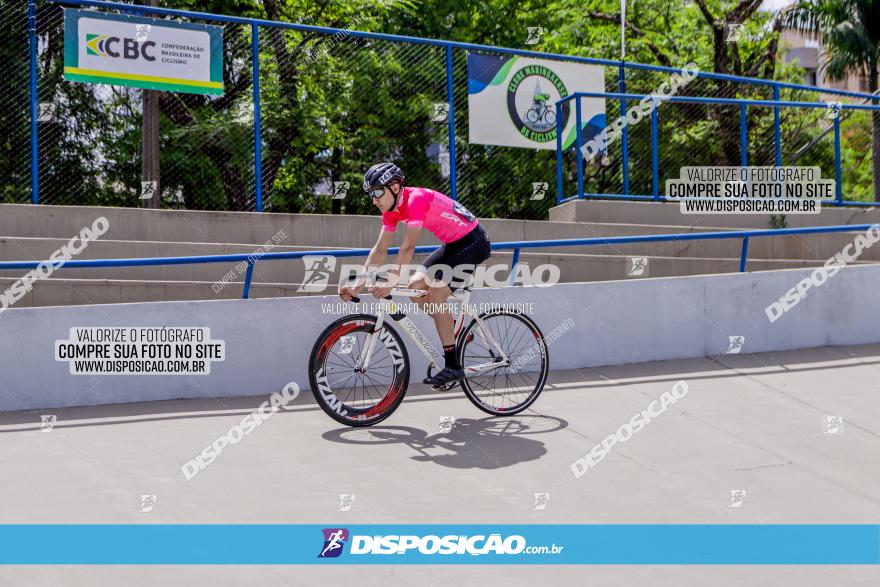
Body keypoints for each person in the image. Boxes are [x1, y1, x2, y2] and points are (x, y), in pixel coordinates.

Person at [338, 162, 492, 385]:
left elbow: (408, 246)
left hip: (474, 242)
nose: (374, 200)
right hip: (453, 244)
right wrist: (358, 285)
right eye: (371, 195)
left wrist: (390, 281)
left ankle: (453, 366)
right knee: (415, 288)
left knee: (437, 294)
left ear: (395, 187)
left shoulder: (415, 199)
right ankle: (456, 331)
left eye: (378, 192)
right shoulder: (391, 212)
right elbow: (380, 249)